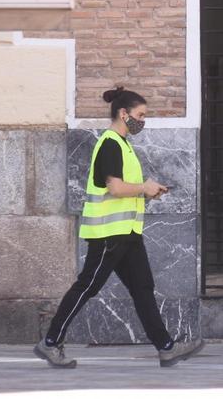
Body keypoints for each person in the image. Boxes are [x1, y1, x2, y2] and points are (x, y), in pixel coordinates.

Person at [35, 86, 205, 369]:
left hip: (126, 233)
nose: (142, 121)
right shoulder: (111, 143)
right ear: (123, 114)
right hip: (108, 234)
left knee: (142, 288)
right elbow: (114, 188)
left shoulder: (123, 145)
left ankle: (166, 348)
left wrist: (147, 191)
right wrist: (144, 187)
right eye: (140, 115)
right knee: (88, 286)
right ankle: (50, 342)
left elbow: (124, 189)